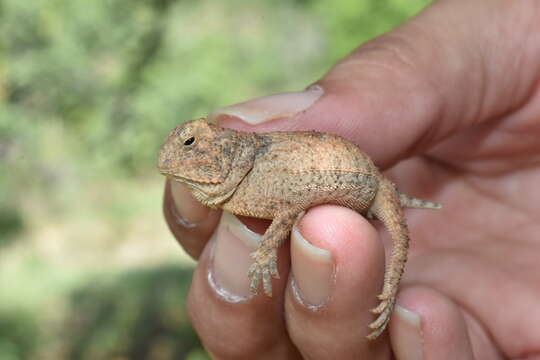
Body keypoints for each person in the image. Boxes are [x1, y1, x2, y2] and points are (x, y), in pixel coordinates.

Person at [162, 0, 540, 358]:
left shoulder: (254, 159)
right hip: (353, 185)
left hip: (371, 184)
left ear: (220, 145)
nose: (183, 154)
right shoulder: (242, 184)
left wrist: (264, 252)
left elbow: (288, 207)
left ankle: (390, 291)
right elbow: (288, 207)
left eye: (192, 143)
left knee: (389, 240)